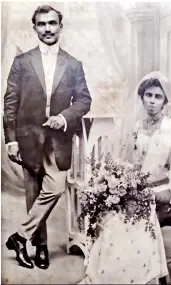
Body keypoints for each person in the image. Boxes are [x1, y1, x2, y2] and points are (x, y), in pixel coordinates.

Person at [79, 71, 171, 284]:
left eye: (158, 97)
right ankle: (112, 273)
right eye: (148, 95)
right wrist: (123, 182)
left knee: (134, 214)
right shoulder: (136, 127)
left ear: (165, 101)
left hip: (164, 186)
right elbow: (128, 160)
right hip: (137, 185)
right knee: (114, 213)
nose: (152, 101)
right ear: (141, 97)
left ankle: (139, 273)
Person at [3, 5, 91, 270]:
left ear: (60, 27)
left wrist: (64, 117)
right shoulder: (21, 62)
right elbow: (10, 102)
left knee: (55, 187)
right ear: (35, 29)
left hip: (57, 139)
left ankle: (19, 237)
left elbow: (84, 100)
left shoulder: (73, 64)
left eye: (52, 23)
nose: (48, 29)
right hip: (28, 138)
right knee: (33, 193)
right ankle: (39, 247)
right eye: (42, 24)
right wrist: (11, 140)